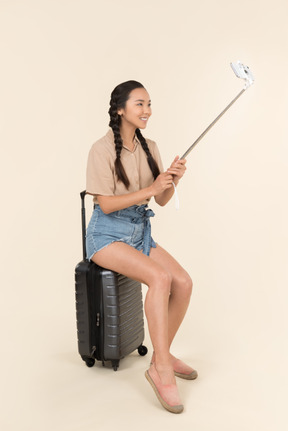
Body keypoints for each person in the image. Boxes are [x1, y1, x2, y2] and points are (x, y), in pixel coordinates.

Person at [85, 80, 197, 414]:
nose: (147, 111)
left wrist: (171, 181)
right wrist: (151, 186)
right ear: (120, 109)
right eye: (139, 104)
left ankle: (164, 353)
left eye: (149, 104)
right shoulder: (101, 149)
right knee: (159, 279)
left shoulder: (151, 147)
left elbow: (160, 200)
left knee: (183, 282)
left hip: (139, 231)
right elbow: (104, 204)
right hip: (106, 236)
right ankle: (161, 368)